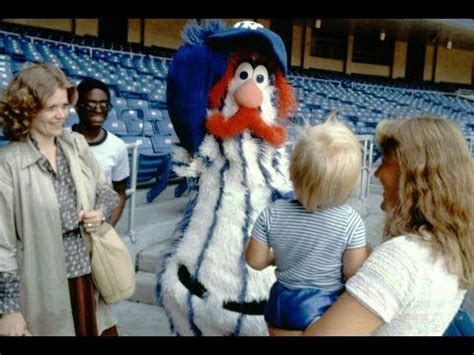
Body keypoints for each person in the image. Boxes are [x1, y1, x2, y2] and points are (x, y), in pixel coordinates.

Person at [303, 116, 473, 336]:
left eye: (384, 162)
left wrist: (278, 322)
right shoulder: (452, 248)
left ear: (412, 175)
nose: (376, 173)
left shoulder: (402, 257)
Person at [0, 63, 120, 336]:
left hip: (88, 280)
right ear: (27, 108)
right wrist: (9, 311)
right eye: (52, 108)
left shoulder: (75, 143)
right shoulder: (7, 164)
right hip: (41, 285)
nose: (61, 115)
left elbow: (107, 192)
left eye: (65, 106)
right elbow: (2, 246)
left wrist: (99, 212)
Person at [246, 119, 368, 336]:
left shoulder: (272, 212)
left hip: (279, 304)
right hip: (323, 307)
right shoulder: (351, 222)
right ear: (349, 183)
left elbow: (254, 261)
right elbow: (353, 273)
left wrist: (275, 258)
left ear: (293, 172)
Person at [73, 78, 129, 226]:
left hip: (97, 227)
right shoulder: (61, 140)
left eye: (104, 105)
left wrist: (108, 226)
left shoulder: (117, 146)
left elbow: (120, 192)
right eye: (91, 104)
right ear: (77, 106)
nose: (98, 110)